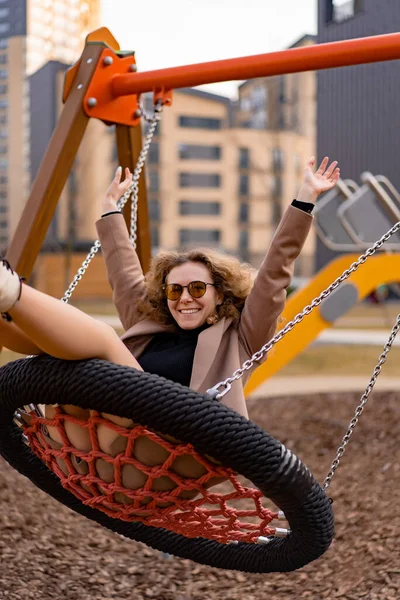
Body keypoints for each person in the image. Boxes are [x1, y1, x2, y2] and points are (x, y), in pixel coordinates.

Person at [0, 156, 339, 497]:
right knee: (57, 354)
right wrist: (109, 211)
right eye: (175, 290)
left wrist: (305, 197)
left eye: (196, 288)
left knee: (103, 341)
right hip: (90, 452)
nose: (184, 298)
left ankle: (9, 289)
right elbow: (125, 275)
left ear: (220, 294)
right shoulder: (149, 327)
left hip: (158, 463)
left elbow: (273, 276)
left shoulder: (242, 339)